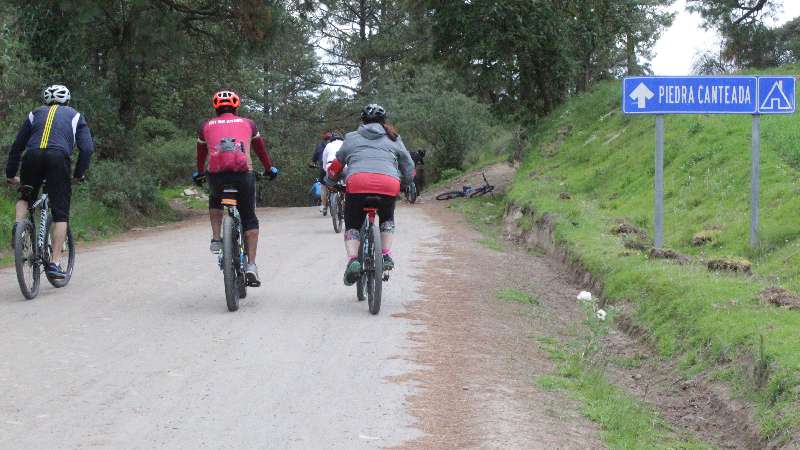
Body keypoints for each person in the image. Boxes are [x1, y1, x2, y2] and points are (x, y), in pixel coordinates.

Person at [5, 84, 94, 279]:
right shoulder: (75, 115)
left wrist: (10, 174)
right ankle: (54, 264)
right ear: (67, 101)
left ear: (45, 101)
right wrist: (78, 174)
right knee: (61, 214)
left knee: (25, 195)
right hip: (58, 158)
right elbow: (87, 149)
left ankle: (19, 228)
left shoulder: (35, 113)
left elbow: (17, 146)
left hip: (32, 156)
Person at [193, 90, 277, 287]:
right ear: (236, 107)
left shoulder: (205, 126)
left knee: (215, 199)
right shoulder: (248, 123)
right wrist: (269, 168)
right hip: (243, 174)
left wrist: (198, 172)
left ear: (216, 108)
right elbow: (260, 150)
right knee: (249, 218)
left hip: (217, 175)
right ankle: (251, 266)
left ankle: (216, 238)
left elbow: (200, 155)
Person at [326, 104, 414, 285]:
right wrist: (404, 183)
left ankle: (353, 260)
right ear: (384, 122)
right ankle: (386, 255)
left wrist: (330, 182)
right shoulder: (394, 138)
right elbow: (409, 166)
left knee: (352, 224)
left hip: (358, 183)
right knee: (387, 218)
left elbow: (336, 166)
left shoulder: (351, 138)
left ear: (362, 121)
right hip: (388, 184)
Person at [310, 132, 331, 214]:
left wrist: (313, 164)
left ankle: (324, 206)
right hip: (336, 169)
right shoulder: (336, 145)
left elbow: (313, 160)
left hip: (323, 169)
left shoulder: (319, 147)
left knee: (323, 187)